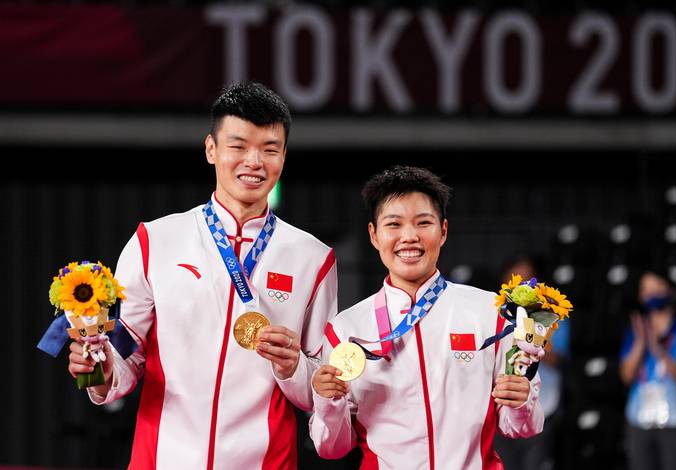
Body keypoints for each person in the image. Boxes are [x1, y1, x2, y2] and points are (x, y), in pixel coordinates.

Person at [67, 82, 338, 469]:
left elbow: (323, 387)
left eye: (269, 149)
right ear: (211, 149)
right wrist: (102, 369)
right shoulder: (155, 241)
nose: (254, 161)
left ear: (284, 156)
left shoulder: (313, 258)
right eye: (238, 146)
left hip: (266, 461)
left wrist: (294, 366)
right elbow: (126, 356)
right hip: (162, 459)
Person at [309, 166, 544, 469]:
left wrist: (522, 401)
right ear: (374, 235)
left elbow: (523, 427)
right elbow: (332, 447)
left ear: (443, 231)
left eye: (423, 223)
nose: (409, 237)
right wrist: (327, 402)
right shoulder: (346, 330)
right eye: (393, 224)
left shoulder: (490, 314)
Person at [619, 269, 676, 470]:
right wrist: (640, 344)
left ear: (671, 292)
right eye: (646, 290)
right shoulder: (635, 331)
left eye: (657, 288)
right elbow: (626, 377)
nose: (651, 294)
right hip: (639, 420)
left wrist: (659, 349)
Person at [493, 255, 570, 470]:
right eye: (517, 280)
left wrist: (532, 331)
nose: (523, 286)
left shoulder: (553, 315)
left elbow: (558, 360)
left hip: (541, 410)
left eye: (529, 280)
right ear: (505, 284)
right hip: (502, 410)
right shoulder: (493, 315)